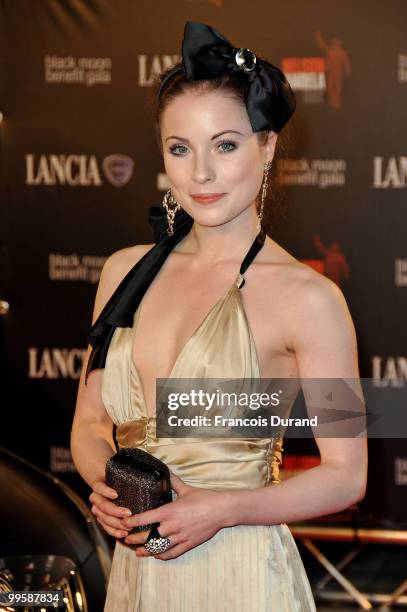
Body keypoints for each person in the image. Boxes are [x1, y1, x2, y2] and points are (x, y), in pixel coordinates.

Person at [71, 21, 367, 611]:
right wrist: (104, 482)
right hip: (135, 576)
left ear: (268, 146)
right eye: (180, 149)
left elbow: (346, 474)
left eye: (225, 145)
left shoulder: (308, 299)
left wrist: (221, 507)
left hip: (240, 574)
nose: (199, 173)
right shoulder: (123, 273)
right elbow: (88, 423)